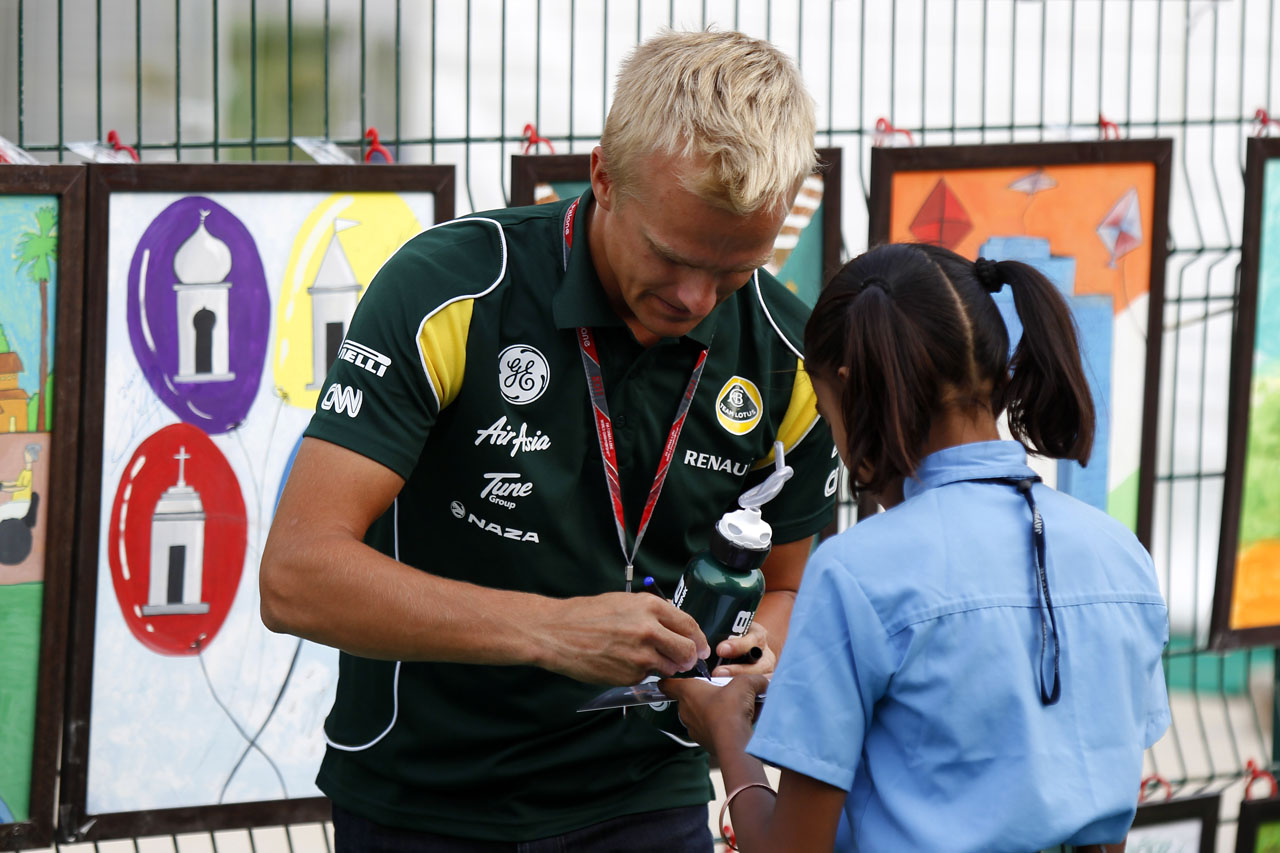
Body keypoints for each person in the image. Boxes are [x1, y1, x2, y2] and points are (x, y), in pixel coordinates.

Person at [260, 29, 839, 851]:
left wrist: (754, 649)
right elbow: (295, 575)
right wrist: (554, 629)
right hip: (422, 800)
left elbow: (790, 589)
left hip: (647, 799)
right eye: (671, 255)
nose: (695, 297)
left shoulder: (791, 355)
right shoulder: (449, 286)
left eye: (736, 269)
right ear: (603, 174)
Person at [664, 244, 1170, 853]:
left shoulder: (856, 572)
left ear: (849, 391)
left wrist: (727, 732)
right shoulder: (1120, 555)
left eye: (827, 414)